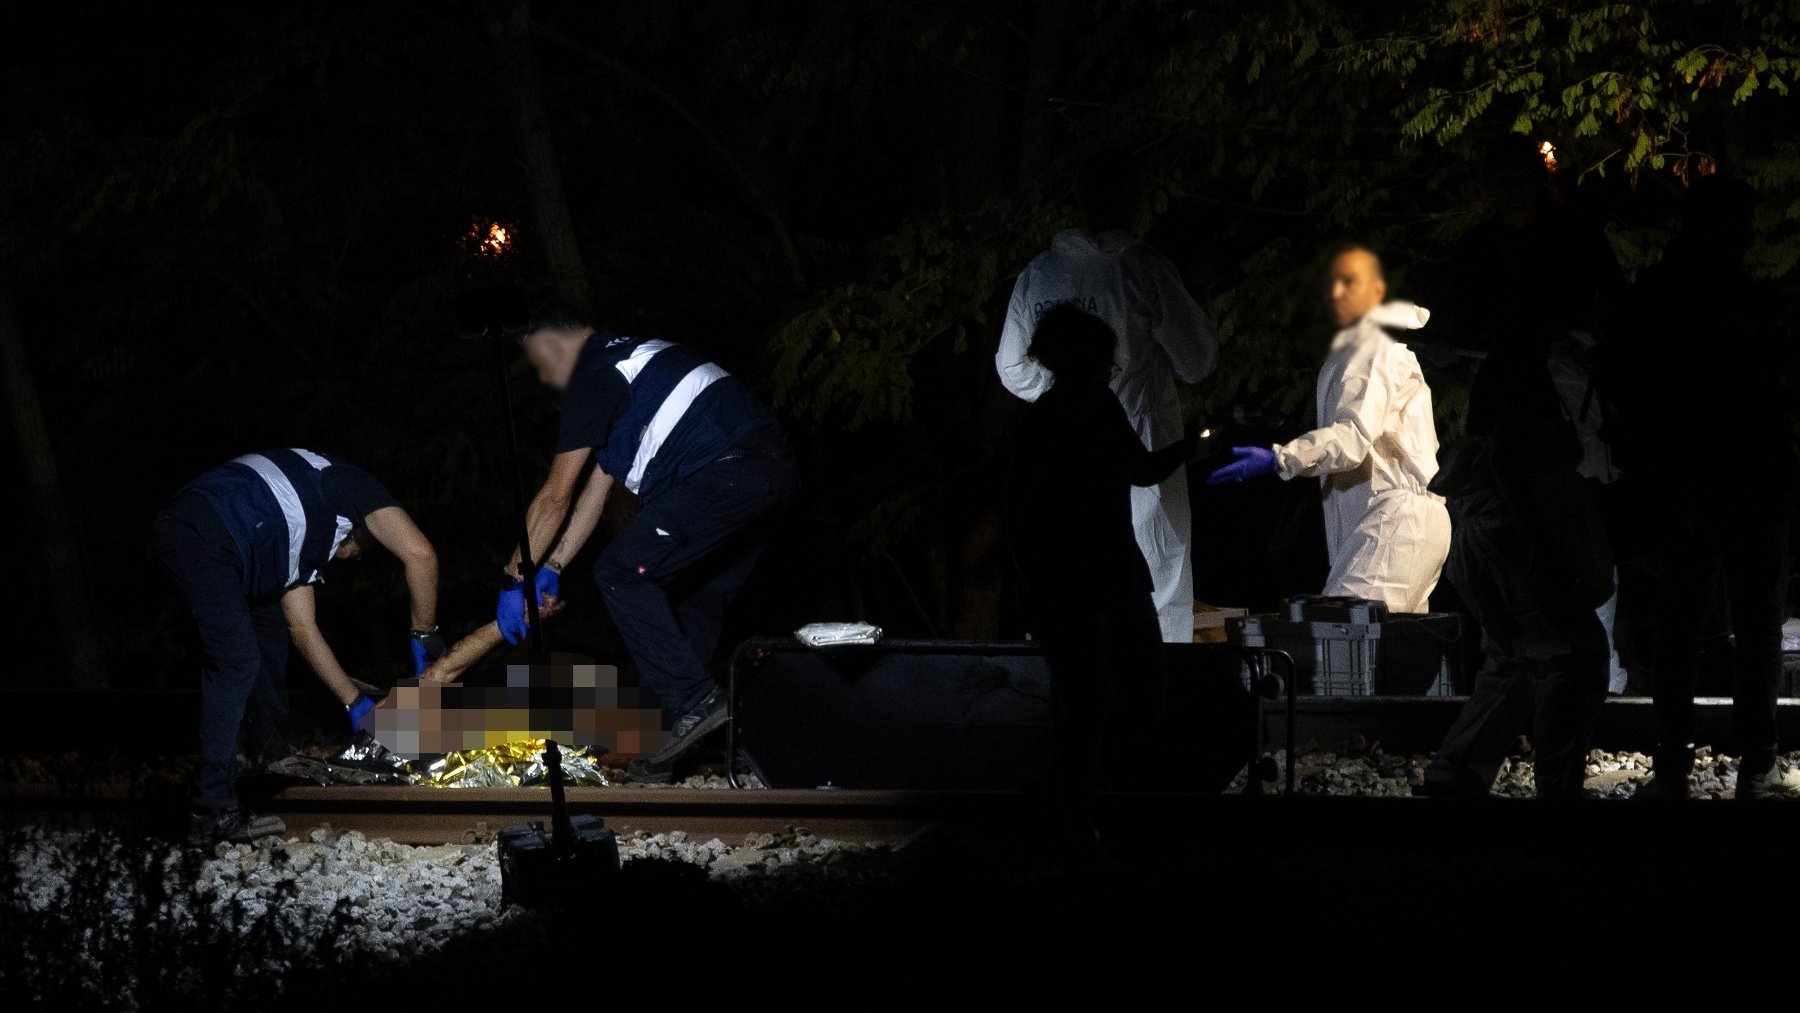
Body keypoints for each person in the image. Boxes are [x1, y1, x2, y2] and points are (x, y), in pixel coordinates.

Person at [499, 303, 796, 783]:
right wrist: (553, 564)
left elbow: (555, 496)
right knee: (690, 601)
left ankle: (695, 703)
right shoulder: (638, 369)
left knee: (620, 573)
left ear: (555, 344)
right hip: (769, 475)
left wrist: (514, 577)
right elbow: (591, 499)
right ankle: (672, 740)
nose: (548, 380)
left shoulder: (594, 374)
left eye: (542, 364)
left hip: (725, 470)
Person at [1612, 176, 1800, 799]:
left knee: (1683, 620)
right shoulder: (1742, 300)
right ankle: (1757, 754)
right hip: (1747, 479)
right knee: (1754, 618)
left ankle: (1674, 755)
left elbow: (1643, 396)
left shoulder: (1662, 297)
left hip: (1688, 482)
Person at [149, 449, 442, 843]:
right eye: (366, 547)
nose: (356, 559)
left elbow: (303, 629)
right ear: (366, 527)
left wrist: (354, 702)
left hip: (229, 539)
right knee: (236, 662)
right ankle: (211, 810)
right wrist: (425, 639)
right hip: (202, 533)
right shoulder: (350, 483)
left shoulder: (300, 539)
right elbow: (421, 555)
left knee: (269, 632)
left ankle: (270, 756)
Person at [996, 150, 1219, 642]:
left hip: (1061, 462)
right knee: (1155, 585)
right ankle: (1154, 707)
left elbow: (1010, 368)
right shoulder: (1141, 269)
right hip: (1144, 435)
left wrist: (1060, 393)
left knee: (1066, 592)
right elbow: (1198, 362)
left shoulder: (1040, 274)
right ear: (1133, 203)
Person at [1007, 305, 1197, 839]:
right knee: (1117, 697)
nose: (1112, 366)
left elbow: (1020, 521)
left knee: (1089, 703)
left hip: (1082, 583)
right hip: (1098, 579)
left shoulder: (1052, 418)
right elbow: (1140, 471)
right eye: (1104, 357)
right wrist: (1194, 444)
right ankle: (1087, 813)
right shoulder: (1075, 414)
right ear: (1085, 358)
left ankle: (1079, 808)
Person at [1418, 324, 1614, 799]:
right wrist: (1544, 547)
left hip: (1484, 525)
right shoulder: (1529, 365)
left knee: (1516, 659)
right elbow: (1511, 456)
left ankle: (1456, 774)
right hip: (1509, 532)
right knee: (1575, 656)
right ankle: (1556, 788)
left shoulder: (1514, 362)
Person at [1207, 245, 1451, 613]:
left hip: (1394, 522)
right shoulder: (1366, 351)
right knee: (1392, 657)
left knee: (1345, 647)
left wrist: (1281, 459)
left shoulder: (1370, 348)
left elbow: (1351, 438)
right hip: (1400, 524)